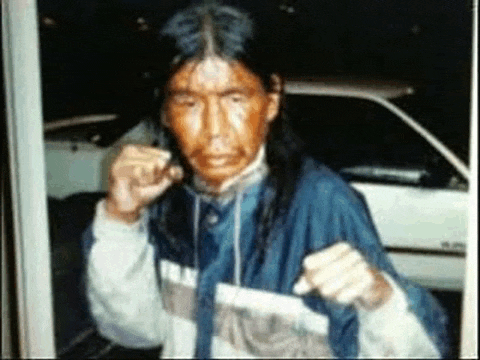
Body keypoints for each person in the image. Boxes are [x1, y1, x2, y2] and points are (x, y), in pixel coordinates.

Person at [82, 3, 449, 358]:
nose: (214, 132)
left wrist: (379, 297)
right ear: (165, 111)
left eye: (235, 98)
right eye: (188, 102)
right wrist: (121, 219)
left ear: (271, 99)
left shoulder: (322, 203)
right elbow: (135, 332)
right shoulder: (169, 199)